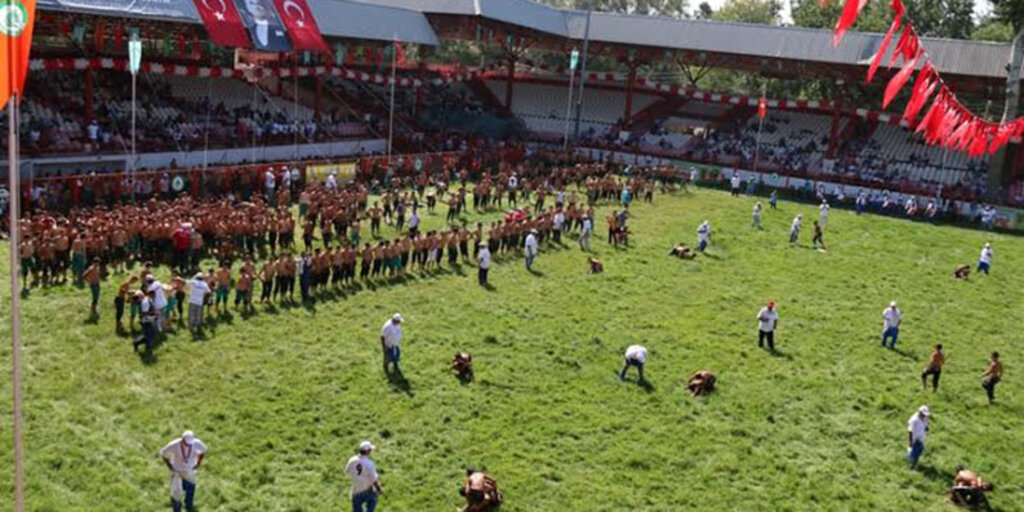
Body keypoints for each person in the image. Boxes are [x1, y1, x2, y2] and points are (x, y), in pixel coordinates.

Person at [159, 430, 208, 512]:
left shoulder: (196, 443)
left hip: (190, 470)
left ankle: (189, 505)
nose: (188, 446)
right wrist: (170, 466)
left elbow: (204, 450)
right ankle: (177, 509)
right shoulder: (174, 444)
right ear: (182, 440)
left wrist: (199, 462)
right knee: (176, 493)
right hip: (177, 471)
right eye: (186, 444)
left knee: (191, 488)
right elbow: (163, 453)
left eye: (190, 444)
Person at [345, 441, 383, 512]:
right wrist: (379, 489)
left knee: (357, 509)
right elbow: (373, 479)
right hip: (367, 489)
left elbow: (347, 472)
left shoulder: (352, 460)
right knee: (373, 500)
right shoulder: (369, 464)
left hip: (356, 489)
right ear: (368, 451)